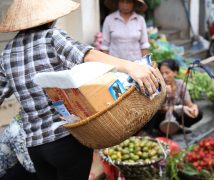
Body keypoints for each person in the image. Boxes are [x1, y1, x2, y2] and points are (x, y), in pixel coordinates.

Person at [0, 0, 160, 180]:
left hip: (35, 147)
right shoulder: (51, 37)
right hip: (66, 139)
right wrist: (131, 67)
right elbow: (87, 56)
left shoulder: (6, 54)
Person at [143, 59, 203, 136]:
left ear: (175, 72)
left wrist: (194, 107)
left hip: (174, 115)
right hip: (159, 117)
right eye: (162, 73)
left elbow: (189, 104)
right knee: (169, 113)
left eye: (167, 73)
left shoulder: (180, 84)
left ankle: (175, 128)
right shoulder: (156, 86)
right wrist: (164, 93)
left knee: (198, 114)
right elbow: (158, 108)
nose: (164, 76)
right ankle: (158, 131)